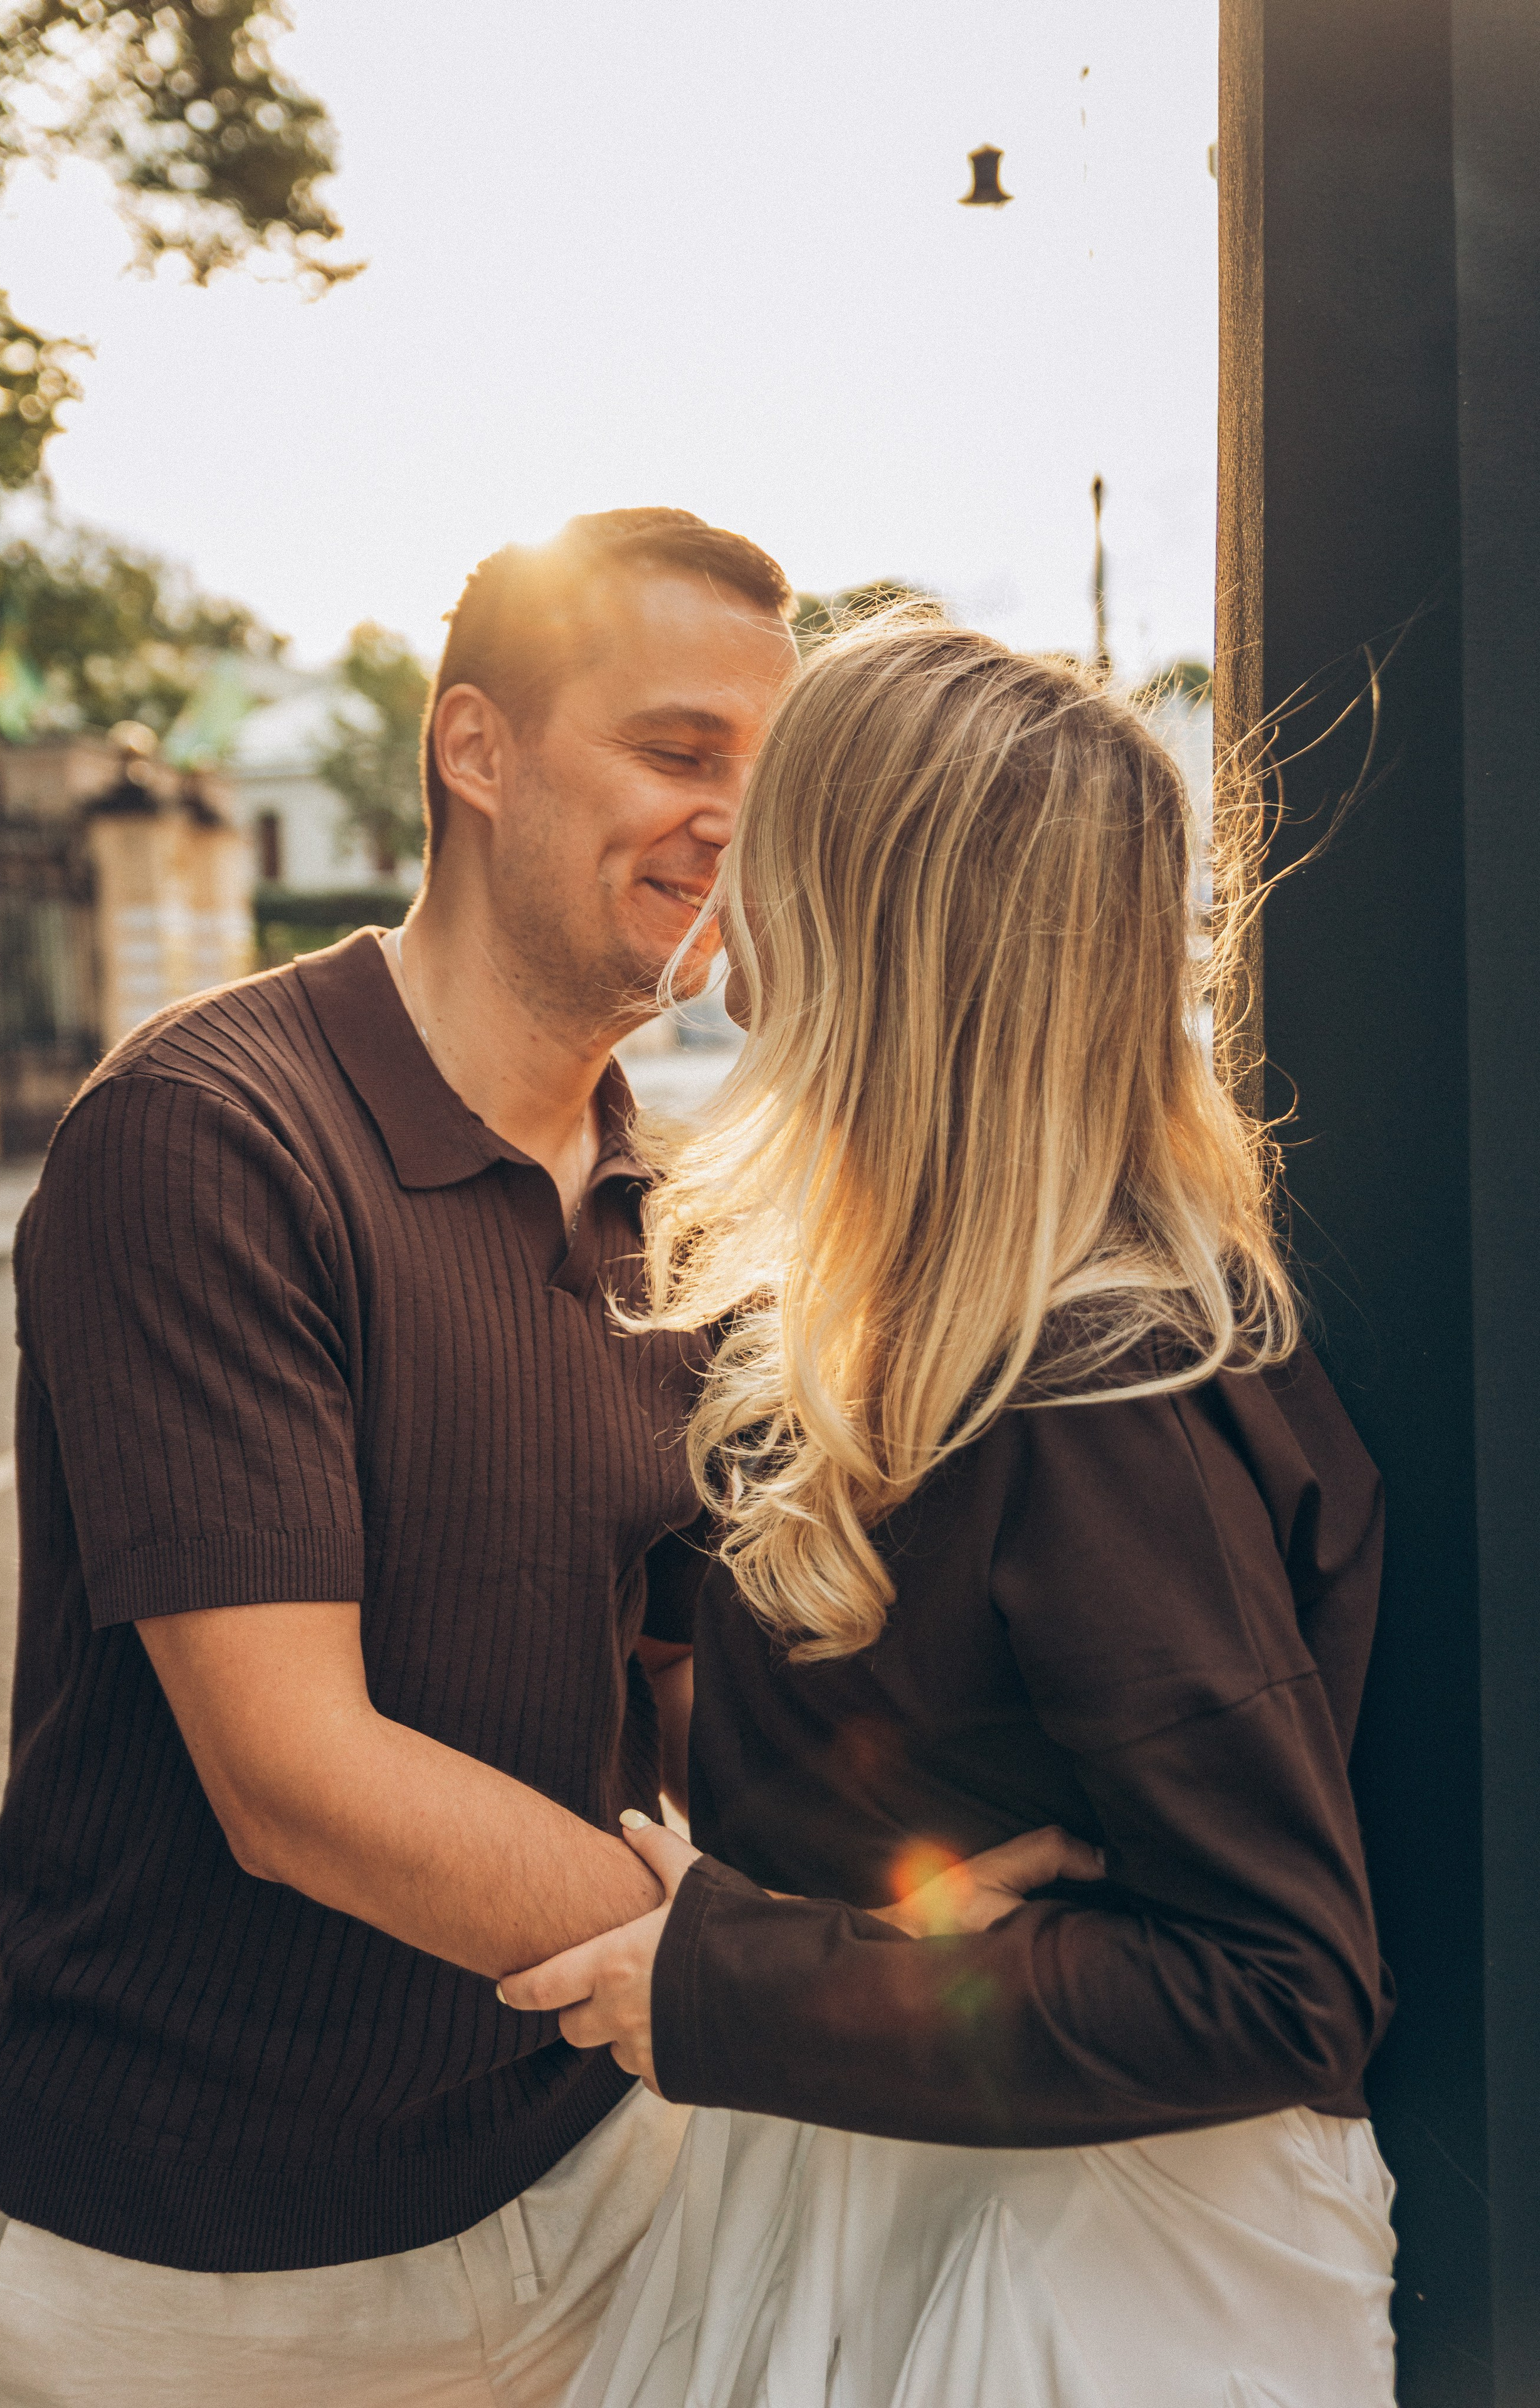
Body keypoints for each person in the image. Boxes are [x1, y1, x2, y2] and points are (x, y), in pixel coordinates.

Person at [0, 508, 799, 2408]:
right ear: (474, 750)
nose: (733, 824)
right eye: (676, 753)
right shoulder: (212, 1133)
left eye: (768, 771)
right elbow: (298, 1781)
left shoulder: (676, 1199)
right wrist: (781, 1999)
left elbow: (680, 1678)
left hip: (591, 2179)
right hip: (205, 2270)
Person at [501, 620, 1400, 2407]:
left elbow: (1280, 1984)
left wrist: (740, 1981)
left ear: (871, 910)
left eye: (781, 815)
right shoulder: (961, 1328)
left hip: (1082, 2265)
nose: (728, 863)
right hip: (933, 2183)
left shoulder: (1089, 1398)